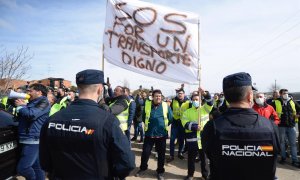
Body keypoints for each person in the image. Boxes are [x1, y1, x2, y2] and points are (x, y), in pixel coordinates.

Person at [40, 69, 135, 179]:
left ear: (79, 88)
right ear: (100, 89)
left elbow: (44, 161)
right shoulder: (109, 121)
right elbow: (127, 163)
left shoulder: (52, 119)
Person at [202, 72, 280, 180]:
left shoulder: (212, 127)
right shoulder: (271, 127)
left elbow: (209, 153)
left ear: (226, 97)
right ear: (250, 96)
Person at [15, 83, 51, 180]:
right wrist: (24, 105)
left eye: (30, 91)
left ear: (39, 92)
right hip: (30, 137)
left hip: (33, 138)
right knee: (37, 167)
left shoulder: (44, 102)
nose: (28, 93)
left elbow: (32, 114)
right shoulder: (33, 102)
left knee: (23, 168)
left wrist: (20, 107)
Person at [135, 89, 173, 180]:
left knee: (161, 155)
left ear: (161, 97)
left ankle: (160, 172)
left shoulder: (165, 105)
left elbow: (170, 118)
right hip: (149, 134)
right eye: (156, 96)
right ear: (153, 97)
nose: (158, 98)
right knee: (145, 153)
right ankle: (143, 168)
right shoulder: (147, 104)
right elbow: (144, 117)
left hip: (161, 135)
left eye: (159, 96)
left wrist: (163, 125)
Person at [181, 88, 213, 180]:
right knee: (191, 159)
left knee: (204, 159)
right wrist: (194, 127)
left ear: (200, 100)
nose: (195, 101)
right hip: (192, 139)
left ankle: (205, 175)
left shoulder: (205, 109)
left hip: (203, 139)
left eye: (197, 99)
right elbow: (184, 123)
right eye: (194, 99)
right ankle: (190, 175)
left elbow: (210, 102)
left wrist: (205, 93)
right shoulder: (187, 112)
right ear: (191, 100)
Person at [271, 89, 300, 167]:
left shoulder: (292, 101)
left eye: (287, 93)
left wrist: (298, 114)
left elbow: (299, 109)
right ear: (280, 94)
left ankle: (295, 160)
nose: (286, 94)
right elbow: (270, 112)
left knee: (293, 144)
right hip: (281, 126)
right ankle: (283, 158)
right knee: (282, 143)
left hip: (291, 126)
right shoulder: (275, 102)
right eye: (284, 93)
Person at [168, 88, 190, 162]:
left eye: (181, 93)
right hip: (175, 123)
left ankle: (180, 153)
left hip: (183, 124)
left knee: (181, 140)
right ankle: (171, 155)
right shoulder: (173, 100)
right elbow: (169, 109)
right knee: (172, 139)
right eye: (178, 93)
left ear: (184, 94)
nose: (180, 94)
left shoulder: (188, 102)